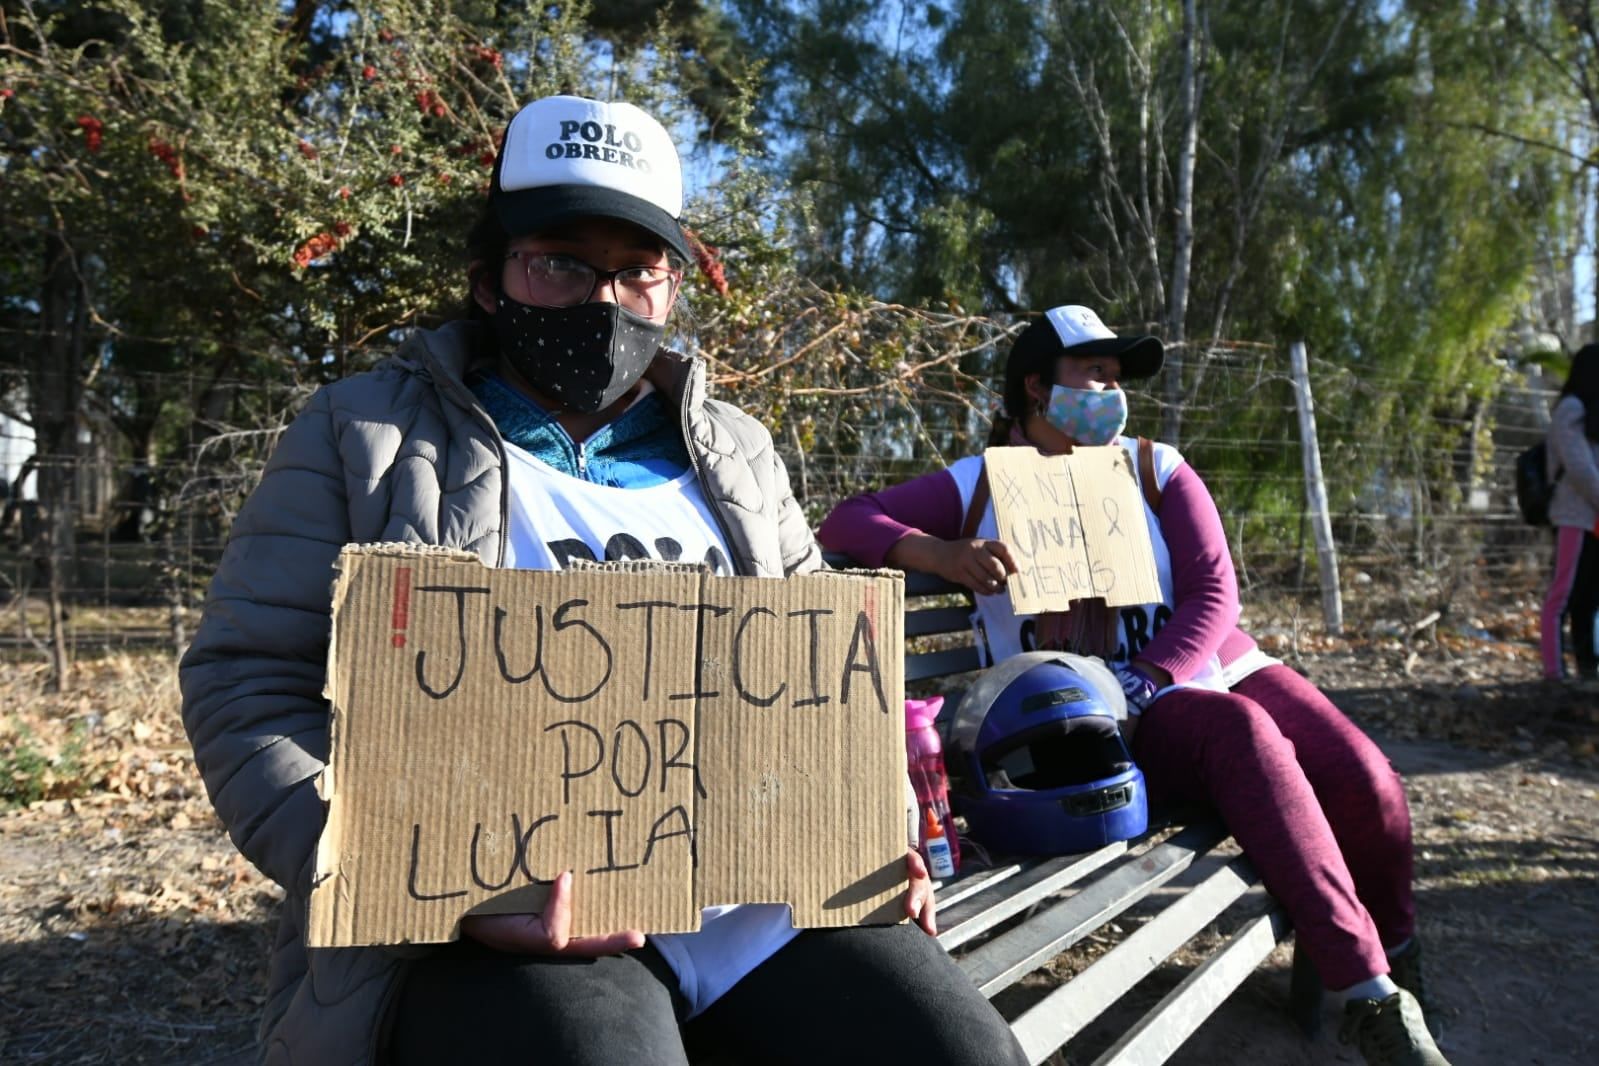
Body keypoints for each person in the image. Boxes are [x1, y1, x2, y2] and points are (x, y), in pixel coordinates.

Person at [180, 94, 1026, 1066]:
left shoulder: (739, 454)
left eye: (637, 270)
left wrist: (869, 832)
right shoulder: (362, 434)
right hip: (507, 922)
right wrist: (424, 880)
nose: (603, 300)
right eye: (561, 263)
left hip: (761, 911)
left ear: (670, 286)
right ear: (491, 279)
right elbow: (248, 685)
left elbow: (828, 686)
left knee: (964, 1053)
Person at [818, 305, 1448, 1066]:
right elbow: (844, 520)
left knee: (1366, 779)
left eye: (1118, 379)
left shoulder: (1156, 468)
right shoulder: (979, 483)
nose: (1112, 394)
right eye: (1095, 375)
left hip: (1194, 663)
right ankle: (1368, 995)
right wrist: (936, 552)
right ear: (1035, 387)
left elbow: (1215, 594)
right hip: (1100, 700)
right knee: (1243, 739)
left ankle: (1397, 950)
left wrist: (1151, 675)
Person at [1539, 343, 1599, 684]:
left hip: (1593, 519)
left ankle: (1588, 667)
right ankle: (1553, 672)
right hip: (1572, 516)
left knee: (1589, 598)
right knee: (1561, 596)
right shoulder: (1571, 409)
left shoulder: (1591, 409)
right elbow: (1579, 467)